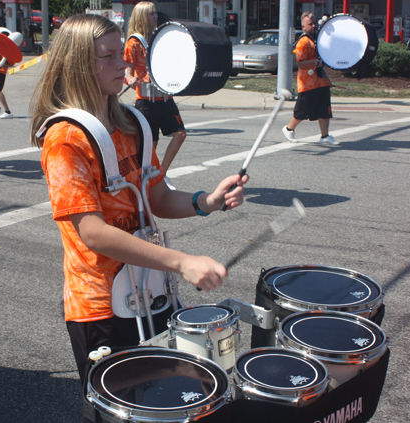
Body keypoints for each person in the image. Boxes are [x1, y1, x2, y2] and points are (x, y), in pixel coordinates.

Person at [29, 14, 248, 386]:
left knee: (170, 397)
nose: (124, 64)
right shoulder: (65, 139)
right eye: (109, 56)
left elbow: (157, 197)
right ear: (79, 64)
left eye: (122, 53)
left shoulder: (133, 124)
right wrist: (181, 261)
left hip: (152, 290)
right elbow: (93, 233)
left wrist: (206, 201)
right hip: (101, 308)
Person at [124, 1, 186, 190]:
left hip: (166, 97)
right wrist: (131, 79)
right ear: (142, 16)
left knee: (180, 134)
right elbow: (128, 73)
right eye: (151, 14)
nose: (155, 16)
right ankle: (145, 181)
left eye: (155, 13)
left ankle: (162, 174)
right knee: (151, 144)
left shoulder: (159, 39)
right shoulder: (133, 43)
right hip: (146, 100)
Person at [282, 12, 338, 146]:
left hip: (321, 81)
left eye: (314, 23)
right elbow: (301, 63)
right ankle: (289, 129)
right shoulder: (303, 41)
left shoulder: (316, 40)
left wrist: (326, 75)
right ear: (303, 27)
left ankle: (325, 136)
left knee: (325, 110)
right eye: (310, 24)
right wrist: (314, 62)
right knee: (303, 110)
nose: (313, 26)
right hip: (307, 83)